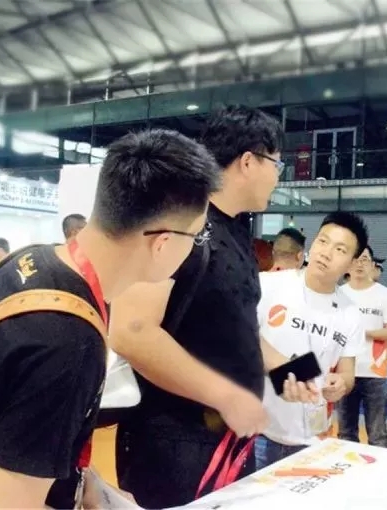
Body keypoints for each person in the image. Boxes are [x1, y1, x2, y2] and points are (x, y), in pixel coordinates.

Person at [0, 129, 221, 509]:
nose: (195, 248)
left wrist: (87, 484)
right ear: (162, 243)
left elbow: (24, 433)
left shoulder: (32, 261)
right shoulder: (69, 341)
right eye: (197, 236)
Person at [112, 106, 316, 509]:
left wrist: (289, 368)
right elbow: (131, 331)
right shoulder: (175, 218)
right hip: (171, 443)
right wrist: (225, 395)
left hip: (228, 440)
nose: (279, 177)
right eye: (277, 164)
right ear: (248, 161)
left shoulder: (237, 231)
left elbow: (234, 327)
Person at [254, 212, 368, 468]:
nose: (326, 253)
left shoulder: (350, 313)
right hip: (257, 432)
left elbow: (347, 373)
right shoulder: (267, 285)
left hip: (312, 440)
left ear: (351, 263)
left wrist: (341, 383)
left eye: (340, 249)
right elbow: (239, 339)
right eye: (323, 241)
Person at [337, 246, 387, 447]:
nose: (360, 264)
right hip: (344, 372)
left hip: (375, 373)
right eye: (355, 259)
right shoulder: (337, 294)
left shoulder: (384, 295)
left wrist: (364, 333)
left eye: (364, 259)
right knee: (345, 433)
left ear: (373, 265)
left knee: (377, 435)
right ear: (348, 264)